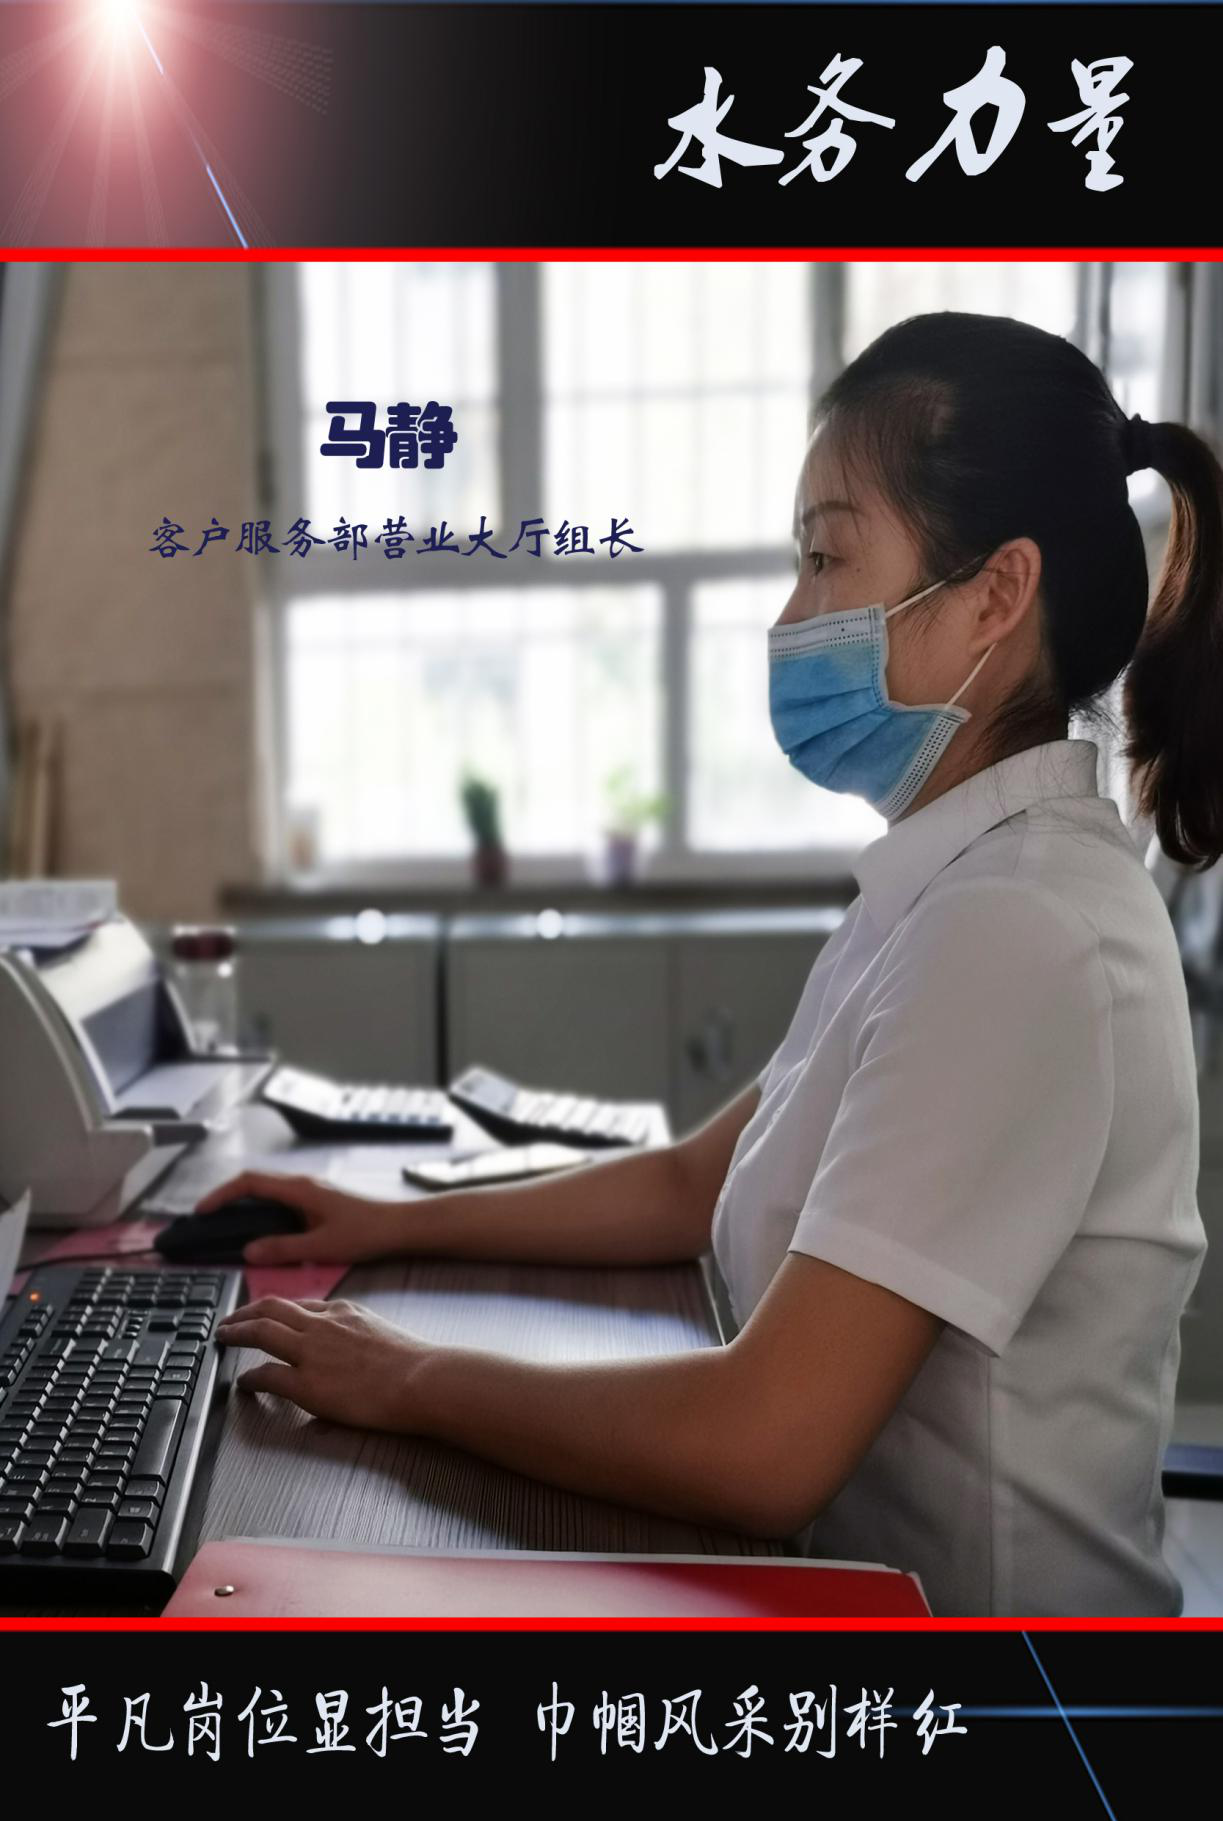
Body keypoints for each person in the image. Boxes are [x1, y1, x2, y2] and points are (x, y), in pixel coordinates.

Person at [205, 311, 1220, 1616]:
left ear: (994, 592)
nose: (792, 617)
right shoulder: (951, 885)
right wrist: (387, 1224)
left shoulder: (1023, 930)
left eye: (825, 557)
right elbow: (698, 1182)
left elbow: (764, 1445)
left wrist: (405, 1378)